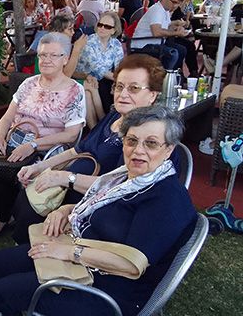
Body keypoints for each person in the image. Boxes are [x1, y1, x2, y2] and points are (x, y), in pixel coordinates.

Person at [0, 105, 196, 316]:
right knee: (0, 262)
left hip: (109, 289)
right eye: (131, 140)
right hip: (85, 254)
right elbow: (102, 206)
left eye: (151, 143)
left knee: (4, 292)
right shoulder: (127, 177)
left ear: (168, 150)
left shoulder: (167, 200)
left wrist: (70, 253)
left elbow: (131, 265)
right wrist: (66, 210)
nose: (138, 150)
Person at [12, 54, 166, 244]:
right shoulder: (114, 117)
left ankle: (31, 249)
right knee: (28, 193)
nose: (123, 94)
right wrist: (40, 167)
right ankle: (24, 243)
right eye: (119, 86)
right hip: (67, 189)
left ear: (152, 95)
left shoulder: (144, 138)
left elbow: (120, 186)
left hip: (90, 206)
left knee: (34, 207)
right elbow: (76, 151)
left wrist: (66, 178)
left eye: (134, 88)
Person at [0, 33, 86, 239]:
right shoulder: (29, 84)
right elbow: (7, 117)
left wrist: (32, 145)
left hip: (46, 150)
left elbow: (71, 135)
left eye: (53, 55)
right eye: (42, 55)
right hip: (14, 141)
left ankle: (2, 220)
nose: (46, 60)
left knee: (9, 173)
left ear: (65, 59)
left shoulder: (74, 91)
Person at [74, 12, 124, 127]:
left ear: (114, 30)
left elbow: (119, 67)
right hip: (83, 77)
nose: (102, 28)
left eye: (107, 26)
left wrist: (118, 81)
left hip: (103, 79)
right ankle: (103, 125)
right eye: (100, 24)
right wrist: (119, 81)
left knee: (93, 91)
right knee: (91, 89)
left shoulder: (116, 44)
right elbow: (98, 69)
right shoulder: (89, 42)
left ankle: (99, 127)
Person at [132, 0, 188, 72]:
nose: (175, 5)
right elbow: (157, 32)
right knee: (172, 53)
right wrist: (176, 33)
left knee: (181, 50)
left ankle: (172, 75)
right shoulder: (157, 10)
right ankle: (164, 76)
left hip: (152, 43)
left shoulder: (164, 10)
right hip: (142, 45)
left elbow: (166, 26)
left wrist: (176, 27)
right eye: (173, 2)